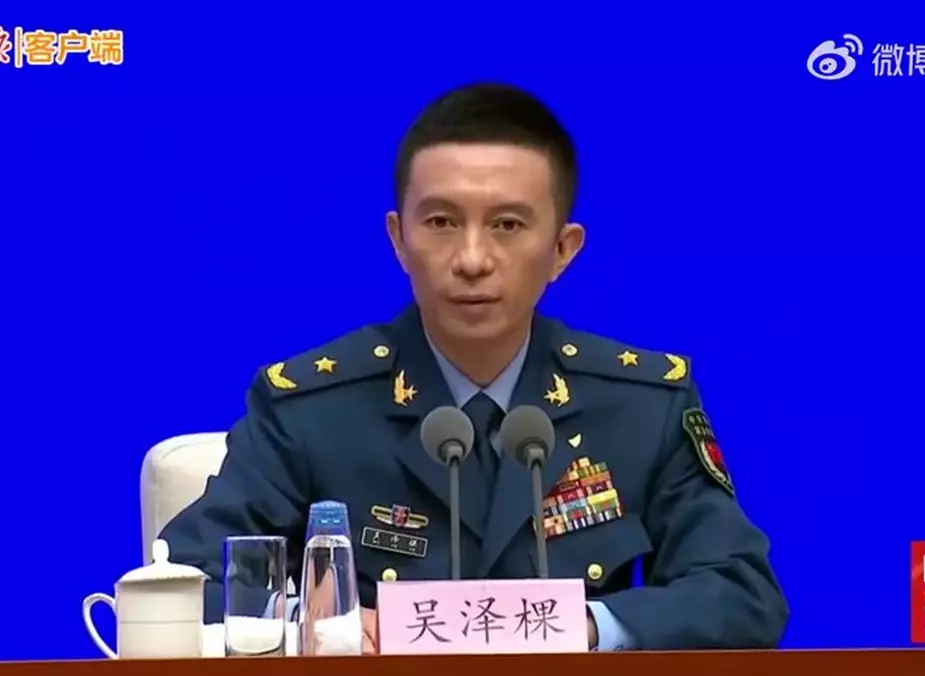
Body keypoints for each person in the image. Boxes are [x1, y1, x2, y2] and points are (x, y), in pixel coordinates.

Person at [160, 82, 788, 651]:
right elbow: (187, 584)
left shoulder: (642, 404)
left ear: (562, 250)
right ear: (398, 240)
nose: (471, 259)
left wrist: (589, 627)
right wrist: (325, 624)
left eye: (507, 225)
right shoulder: (310, 409)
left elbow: (741, 594)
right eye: (440, 222)